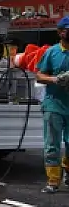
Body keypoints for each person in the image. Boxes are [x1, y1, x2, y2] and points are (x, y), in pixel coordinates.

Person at [36, 16, 69, 193]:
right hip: (54, 105)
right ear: (60, 32)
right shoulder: (52, 52)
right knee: (52, 144)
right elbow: (39, 75)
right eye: (67, 29)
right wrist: (55, 79)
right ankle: (53, 181)